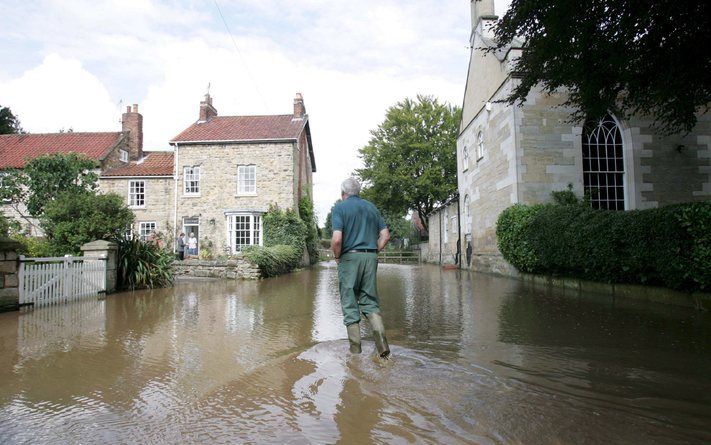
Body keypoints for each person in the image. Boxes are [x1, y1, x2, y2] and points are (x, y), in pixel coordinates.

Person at [330, 177, 391, 358]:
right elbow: (385, 235)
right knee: (370, 303)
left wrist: (337, 257)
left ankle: (355, 353)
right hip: (370, 257)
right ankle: (383, 348)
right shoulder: (372, 207)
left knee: (350, 304)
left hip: (349, 258)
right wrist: (373, 251)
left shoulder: (339, 208)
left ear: (343, 193)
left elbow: (337, 239)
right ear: (358, 192)